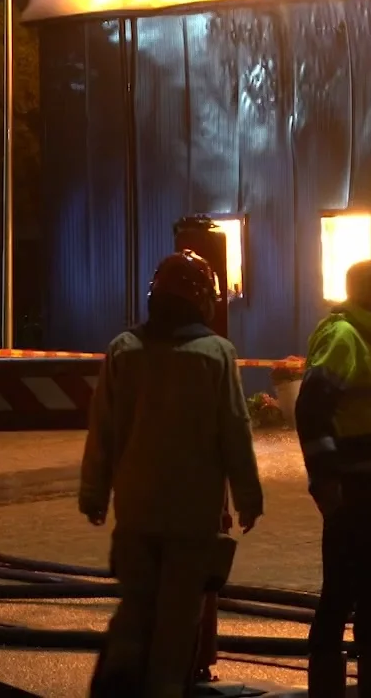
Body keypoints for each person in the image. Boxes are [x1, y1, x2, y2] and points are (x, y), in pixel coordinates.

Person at [80, 250, 264, 698]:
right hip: (192, 519)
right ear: (205, 301)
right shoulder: (216, 354)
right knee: (177, 625)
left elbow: (102, 429)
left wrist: (94, 494)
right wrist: (248, 498)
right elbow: (234, 432)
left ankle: (115, 688)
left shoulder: (124, 351)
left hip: (137, 514)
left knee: (135, 611)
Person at [297, 257, 371, 697]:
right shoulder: (345, 336)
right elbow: (312, 410)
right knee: (344, 589)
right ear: (363, 290)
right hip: (351, 489)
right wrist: (326, 480)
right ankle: (333, 678)